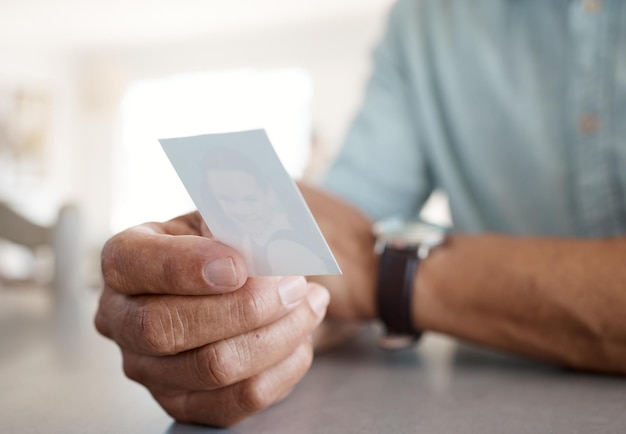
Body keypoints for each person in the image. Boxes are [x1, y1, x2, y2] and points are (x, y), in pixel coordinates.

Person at [95, 0, 626, 427]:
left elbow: (354, 253)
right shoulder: (426, 18)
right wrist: (255, 311)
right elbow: (339, 241)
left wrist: (383, 271)